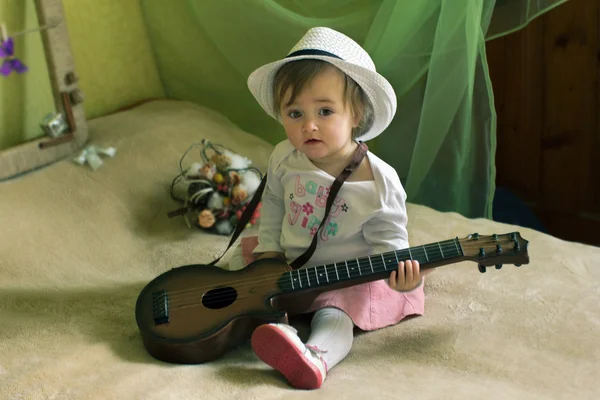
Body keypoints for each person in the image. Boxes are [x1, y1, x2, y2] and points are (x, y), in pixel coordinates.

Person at [228, 26, 429, 390]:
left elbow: (389, 239)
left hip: (347, 274)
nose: (309, 125)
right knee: (244, 280)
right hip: (292, 265)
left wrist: (401, 274)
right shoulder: (285, 157)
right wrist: (270, 250)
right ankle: (280, 330)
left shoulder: (379, 180)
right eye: (294, 113)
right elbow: (273, 204)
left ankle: (316, 356)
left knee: (336, 310)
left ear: (357, 114)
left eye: (325, 110)